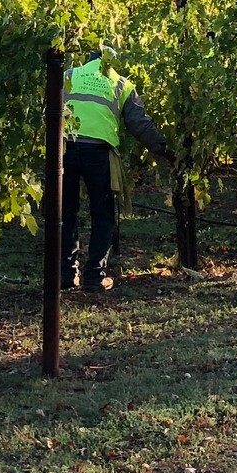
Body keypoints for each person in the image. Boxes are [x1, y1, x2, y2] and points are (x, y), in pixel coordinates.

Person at [61, 48, 170, 292]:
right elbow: (139, 123)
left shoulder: (68, 75)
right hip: (99, 153)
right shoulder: (121, 83)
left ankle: (66, 274)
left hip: (65, 148)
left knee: (66, 212)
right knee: (103, 213)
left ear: (85, 61)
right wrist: (164, 149)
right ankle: (94, 277)